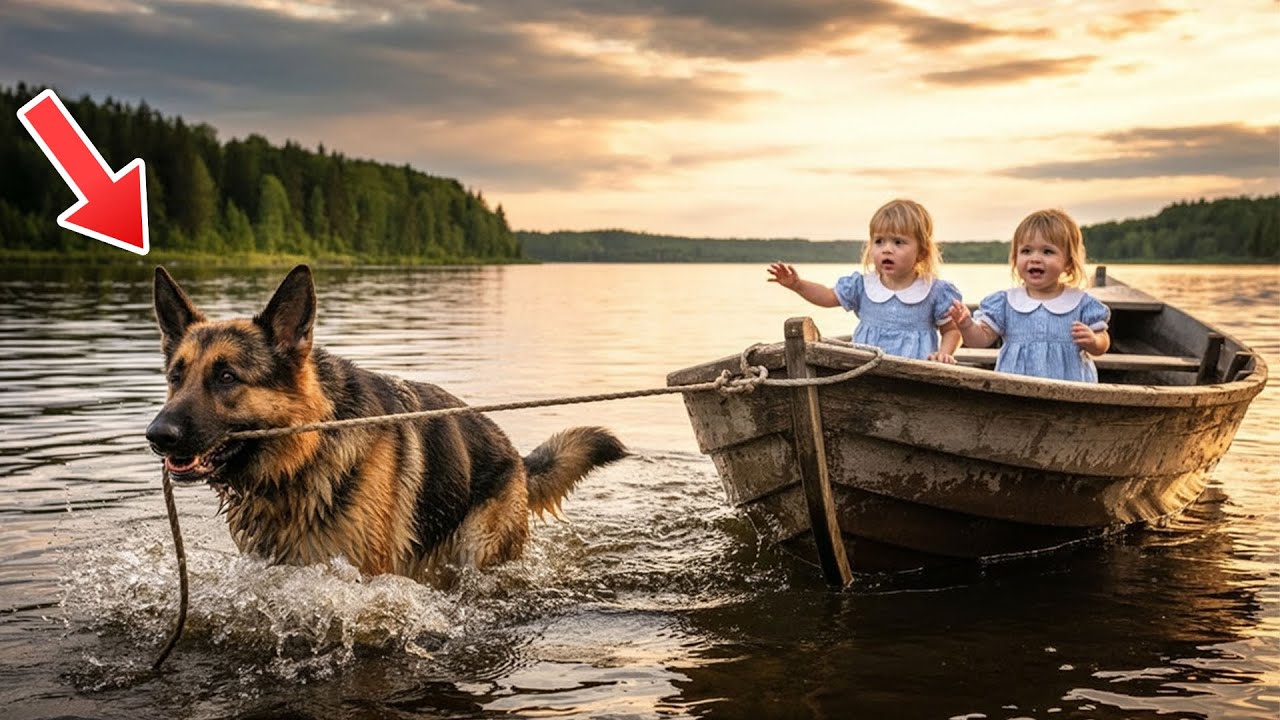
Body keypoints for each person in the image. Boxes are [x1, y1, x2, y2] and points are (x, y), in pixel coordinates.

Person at [767, 198, 961, 362]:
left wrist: (943, 354)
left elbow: (952, 330)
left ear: (922, 251)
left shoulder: (934, 291)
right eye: (879, 241)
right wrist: (798, 285)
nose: (886, 249)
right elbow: (827, 296)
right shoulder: (863, 286)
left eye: (898, 242)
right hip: (867, 372)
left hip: (915, 377)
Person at [947, 208, 1110, 382]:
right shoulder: (1006, 302)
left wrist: (1094, 341)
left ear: (1068, 261)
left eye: (1047, 251)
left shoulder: (1080, 303)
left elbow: (1103, 340)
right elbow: (980, 340)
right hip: (1015, 390)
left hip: (1069, 389)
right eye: (1026, 251)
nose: (1035, 259)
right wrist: (966, 325)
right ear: (1015, 257)